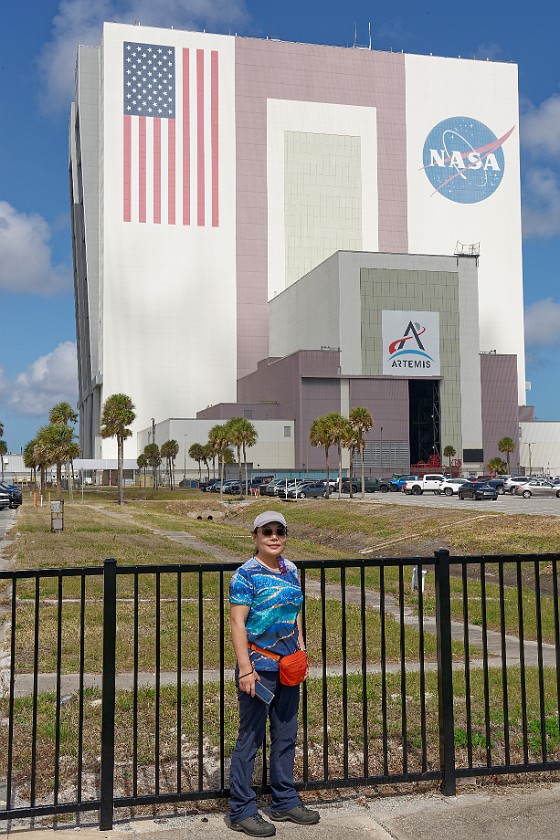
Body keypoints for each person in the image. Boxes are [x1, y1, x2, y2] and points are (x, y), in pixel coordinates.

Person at [227, 511, 320, 837]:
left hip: (289, 666)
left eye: (280, 531)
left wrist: (302, 650)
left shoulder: (291, 570)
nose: (274, 536)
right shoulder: (245, 575)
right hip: (259, 667)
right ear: (255, 537)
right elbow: (237, 622)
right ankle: (241, 809)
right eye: (267, 531)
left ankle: (283, 800)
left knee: (285, 735)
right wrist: (245, 669)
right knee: (250, 738)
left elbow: (293, 612)